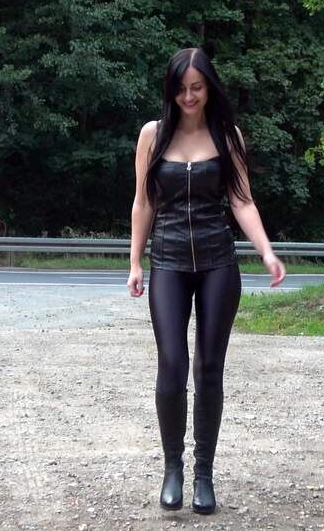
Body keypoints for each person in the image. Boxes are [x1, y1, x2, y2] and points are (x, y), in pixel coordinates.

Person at [127, 47, 286, 515]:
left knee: (209, 368)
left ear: (209, 88)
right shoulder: (153, 135)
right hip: (169, 262)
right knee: (172, 365)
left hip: (218, 263)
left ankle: (203, 476)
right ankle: (172, 469)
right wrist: (135, 262)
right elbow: (143, 203)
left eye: (197, 87)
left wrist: (266, 251)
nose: (189, 96)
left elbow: (242, 201)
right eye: (181, 88)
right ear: (171, 90)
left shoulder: (227, 135)